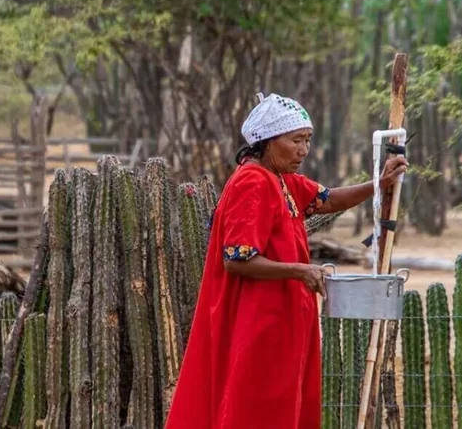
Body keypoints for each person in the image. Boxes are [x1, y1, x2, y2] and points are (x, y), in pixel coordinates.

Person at [164, 93, 408, 429]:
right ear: (267, 141)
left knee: (280, 408)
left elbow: (327, 199)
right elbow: (237, 260)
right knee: (257, 409)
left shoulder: (279, 179)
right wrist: (299, 270)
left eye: (307, 140)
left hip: (282, 320)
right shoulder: (252, 182)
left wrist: (379, 184)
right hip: (260, 322)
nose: (303, 150)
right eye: (295, 140)